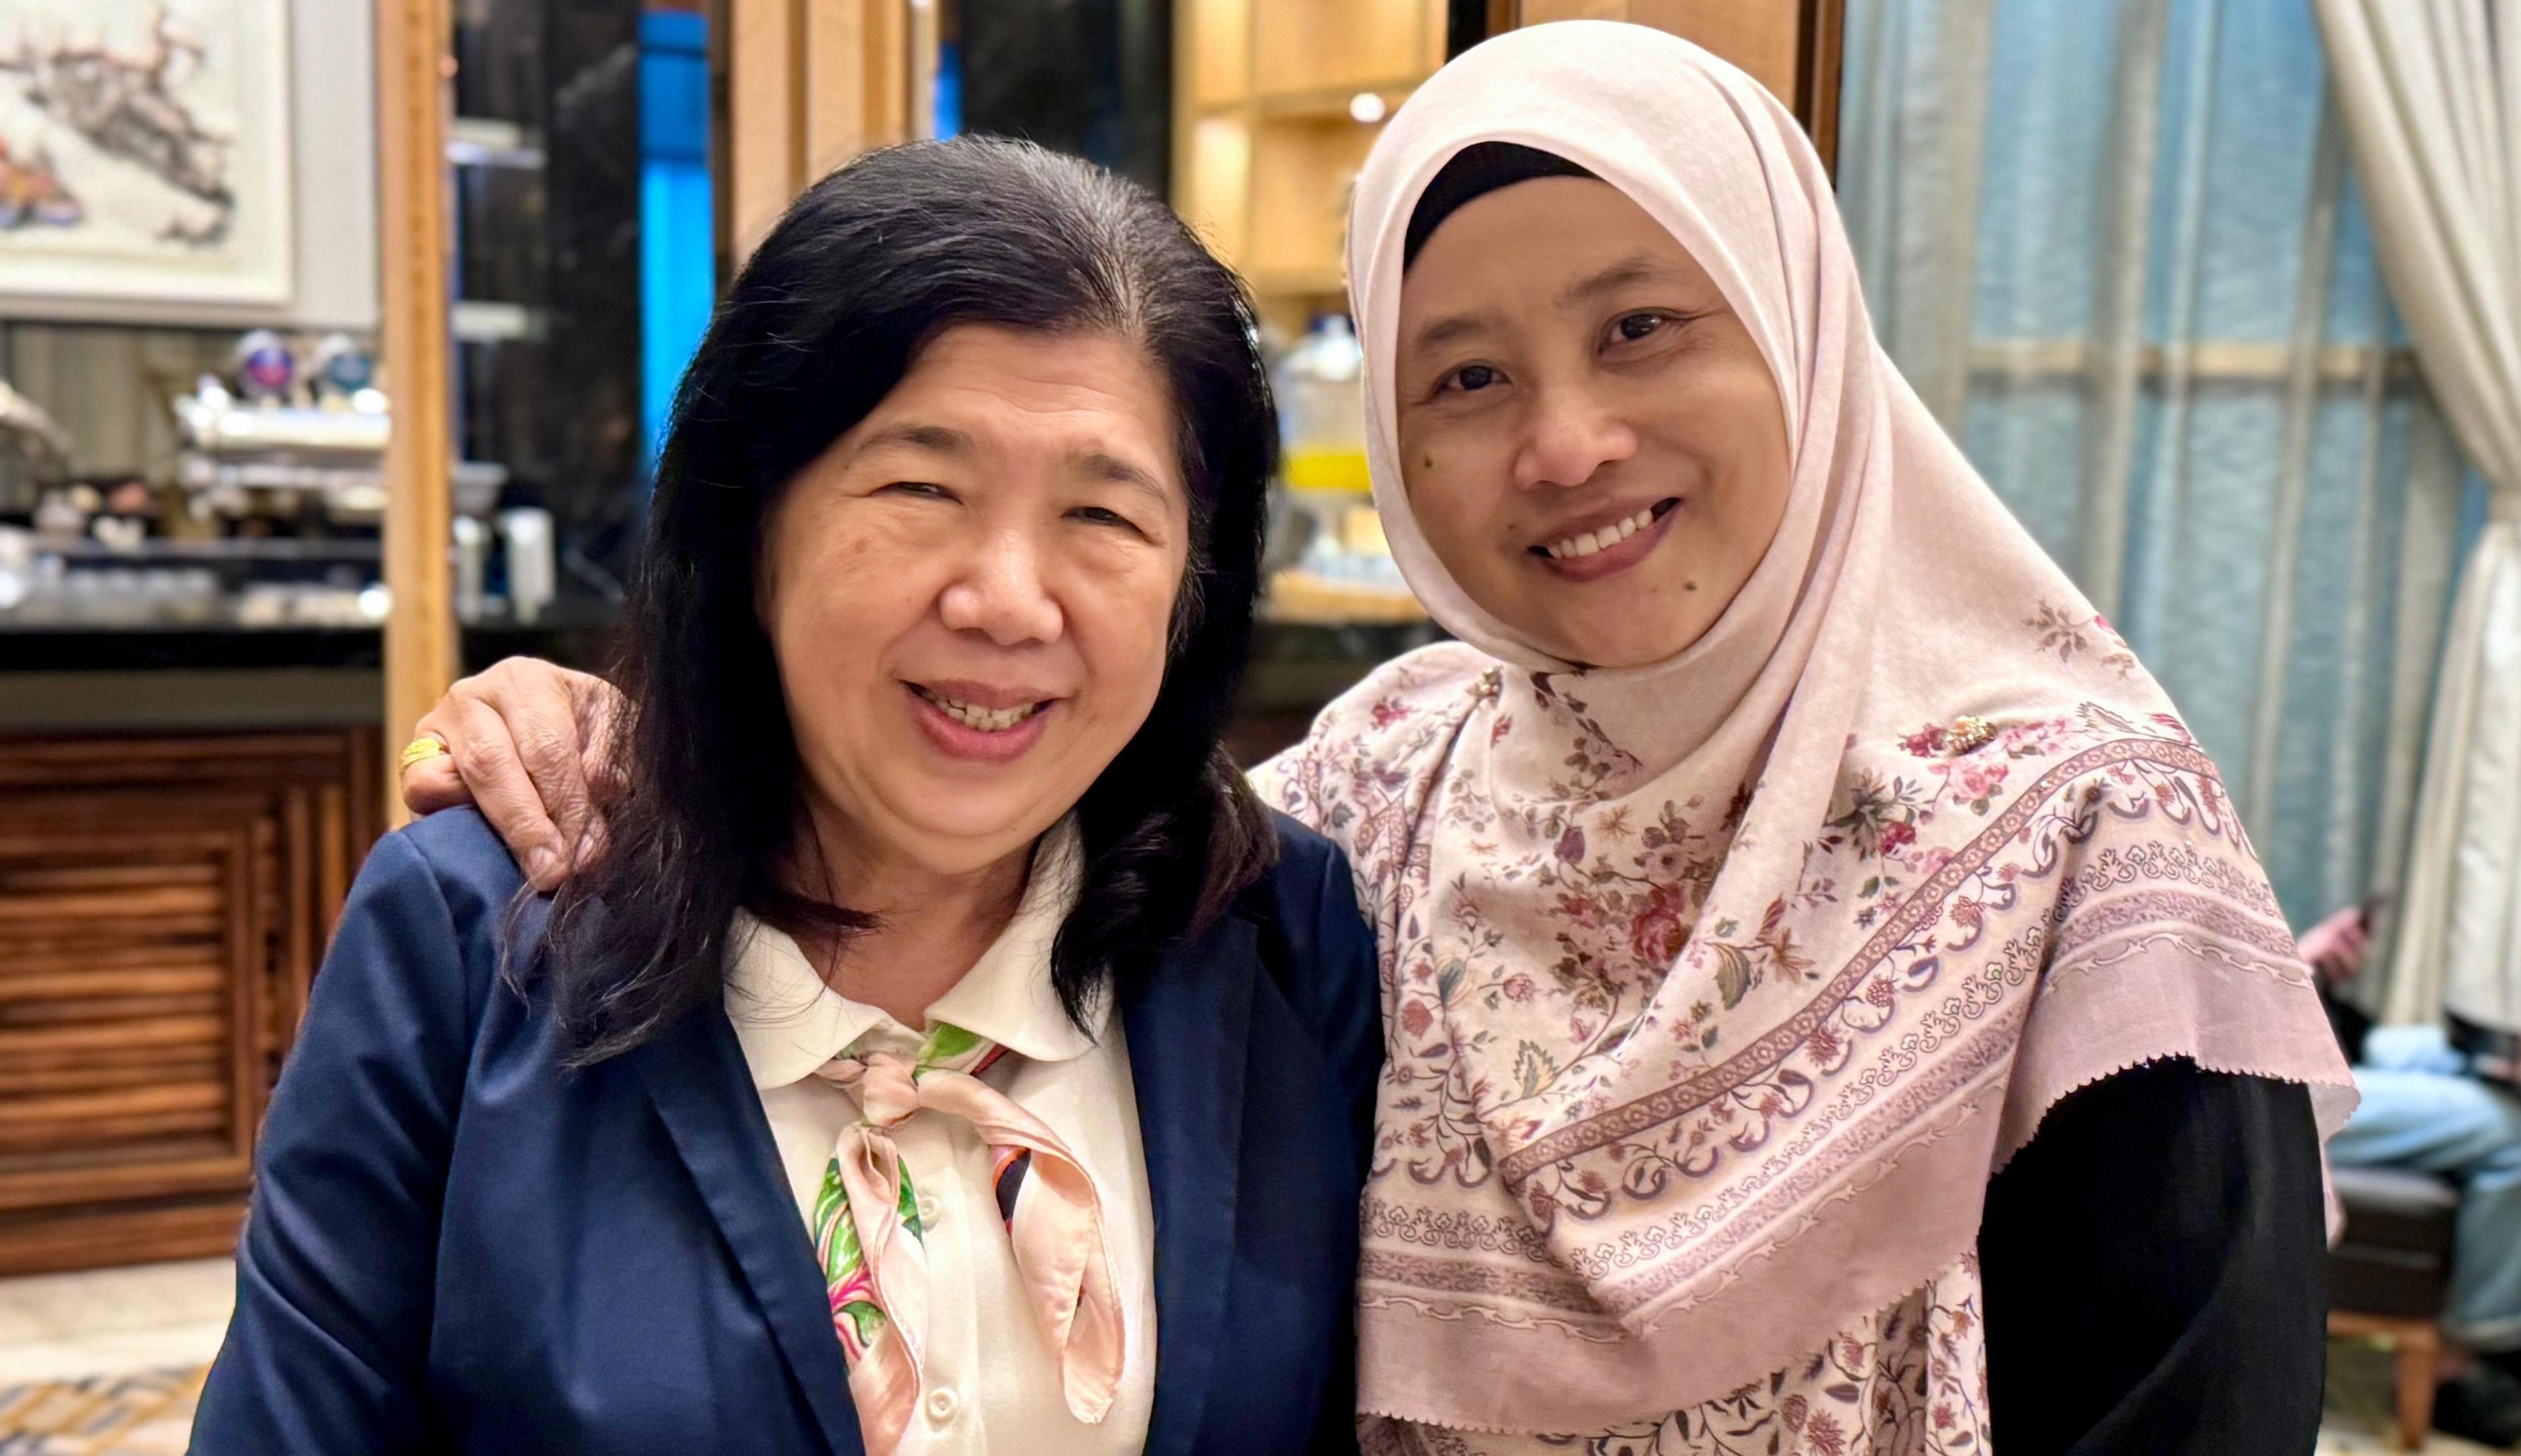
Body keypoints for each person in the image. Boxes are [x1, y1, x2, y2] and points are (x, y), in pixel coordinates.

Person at [403, 25, 2358, 1455]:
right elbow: (983, 827)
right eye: (1469, 372)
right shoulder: (1384, 790)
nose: (1566, 440)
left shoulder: (2081, 853)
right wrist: (630, 723)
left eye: (1648, 327)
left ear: (1811, 337)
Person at [193, 139, 1381, 1456]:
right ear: (749, 524)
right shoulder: (478, 935)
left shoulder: (1282, 929)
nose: (1005, 598)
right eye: (923, 486)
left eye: (1104, 515)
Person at [2306, 904, 2521, 1447]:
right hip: (2291, 1079)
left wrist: (2313, 971)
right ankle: (2481, 1348)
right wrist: (2299, 966)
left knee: (2482, 1059)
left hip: (2324, 1038)